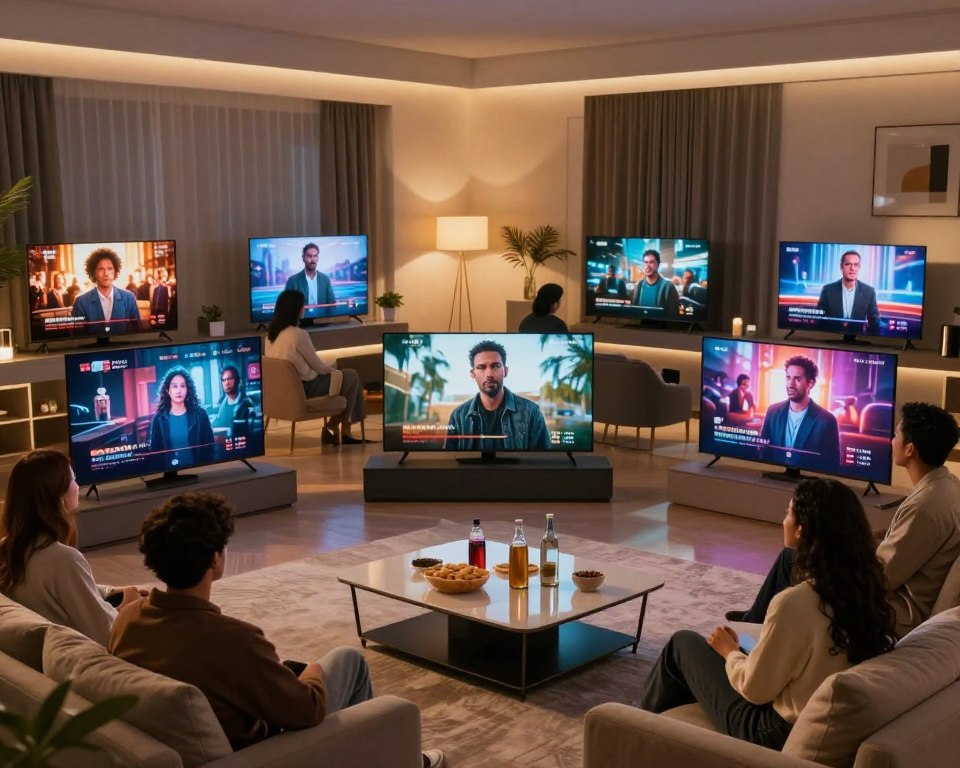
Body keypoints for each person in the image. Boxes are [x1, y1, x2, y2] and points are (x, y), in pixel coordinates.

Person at [107, 492, 446, 767]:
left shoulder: (128, 619)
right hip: (264, 749)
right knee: (348, 660)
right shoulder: (234, 639)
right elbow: (308, 710)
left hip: (205, 737)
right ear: (215, 559)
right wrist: (312, 675)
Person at [641, 478, 896, 749]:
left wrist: (730, 652)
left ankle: (629, 729)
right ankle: (665, 740)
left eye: (788, 513)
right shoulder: (866, 588)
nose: (783, 520)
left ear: (801, 530)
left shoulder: (794, 603)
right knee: (709, 665)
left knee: (682, 644)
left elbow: (755, 690)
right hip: (808, 708)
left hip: (769, 730)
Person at [730, 402, 960, 638]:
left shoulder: (926, 508)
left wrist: (839, 559)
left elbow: (882, 577)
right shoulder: (946, 486)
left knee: (795, 557)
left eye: (896, 434)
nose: (891, 440)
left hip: (895, 611)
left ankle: (757, 630)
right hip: (894, 595)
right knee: (802, 555)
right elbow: (893, 547)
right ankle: (757, 621)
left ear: (910, 449)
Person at [0, 449, 142, 646]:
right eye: (74, 480)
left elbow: (64, 588)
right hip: (83, 650)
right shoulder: (64, 559)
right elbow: (106, 633)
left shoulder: (7, 547)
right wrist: (129, 606)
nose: (78, 485)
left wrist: (112, 591)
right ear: (59, 497)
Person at [264, 290, 365, 445]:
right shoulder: (298, 335)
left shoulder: (270, 336)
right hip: (305, 388)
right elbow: (318, 367)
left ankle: (342, 429)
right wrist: (334, 368)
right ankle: (336, 427)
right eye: (302, 305)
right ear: (295, 309)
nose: (304, 308)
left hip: (283, 392)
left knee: (347, 376)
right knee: (351, 376)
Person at [445, 340, 550, 451]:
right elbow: (449, 458)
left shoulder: (531, 411)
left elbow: (544, 459)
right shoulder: (458, 415)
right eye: (481, 367)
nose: (489, 374)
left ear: (505, 371)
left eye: (495, 366)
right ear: (472, 373)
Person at [758, 355, 840, 472]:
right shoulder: (773, 411)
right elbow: (763, 450)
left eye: (797, 379)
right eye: (788, 377)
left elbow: (831, 465)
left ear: (810, 383)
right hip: (773, 478)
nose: (790, 384)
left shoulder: (826, 420)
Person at [149, 366, 215, 469]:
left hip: (199, 472)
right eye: (175, 386)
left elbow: (210, 448)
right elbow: (155, 455)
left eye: (183, 386)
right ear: (168, 390)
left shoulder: (201, 415)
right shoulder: (158, 419)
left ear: (187, 389)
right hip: (170, 476)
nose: (179, 390)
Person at [71, 248, 141, 333]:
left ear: (115, 272)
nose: (106, 273)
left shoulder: (129, 298)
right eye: (101, 269)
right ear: (94, 273)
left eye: (109, 268)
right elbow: (78, 338)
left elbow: (137, 331)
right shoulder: (81, 302)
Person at [815, 250, 880, 334]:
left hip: (858, 341)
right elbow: (819, 319)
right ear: (841, 267)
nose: (852, 268)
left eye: (856, 265)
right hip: (831, 338)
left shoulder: (869, 292)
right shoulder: (828, 290)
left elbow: (874, 322)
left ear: (859, 268)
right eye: (848, 264)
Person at [285, 242, 336, 314]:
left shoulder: (325, 279)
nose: (313, 260)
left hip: (322, 321)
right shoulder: (293, 281)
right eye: (309, 256)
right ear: (303, 258)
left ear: (318, 258)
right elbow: (286, 307)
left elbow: (332, 304)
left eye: (315, 256)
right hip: (300, 323)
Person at [630, 249, 679, 317]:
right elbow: (633, 311)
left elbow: (673, 314)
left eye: (651, 262)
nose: (648, 266)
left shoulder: (668, 286)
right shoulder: (639, 285)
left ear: (658, 264)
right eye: (646, 262)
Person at [213, 365, 255, 434]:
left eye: (230, 378)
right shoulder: (222, 404)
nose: (227, 383)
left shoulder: (247, 404)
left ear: (237, 380)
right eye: (224, 380)